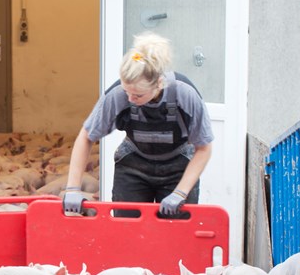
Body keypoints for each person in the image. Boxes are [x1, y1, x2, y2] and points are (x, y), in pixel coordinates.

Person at [63, 32, 213, 216]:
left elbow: (204, 148)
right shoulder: (117, 94)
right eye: (127, 92)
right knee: (128, 234)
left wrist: (180, 193)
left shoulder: (184, 94)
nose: (130, 99)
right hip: (134, 165)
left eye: (138, 95)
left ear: (159, 83)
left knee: (175, 237)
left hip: (178, 167)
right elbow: (86, 136)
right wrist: (72, 188)